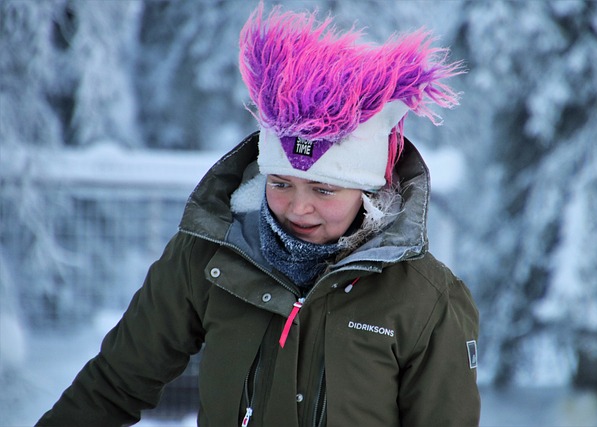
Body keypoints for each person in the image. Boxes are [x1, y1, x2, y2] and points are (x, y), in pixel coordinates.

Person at [37, 3, 480, 426]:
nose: (297, 208)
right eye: (280, 183)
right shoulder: (210, 257)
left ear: (370, 189)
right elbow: (115, 382)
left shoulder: (427, 299)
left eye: (323, 190)